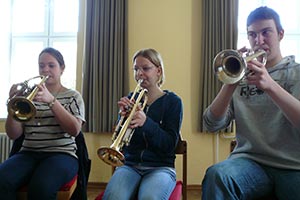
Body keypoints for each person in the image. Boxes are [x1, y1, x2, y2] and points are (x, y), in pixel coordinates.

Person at [202, 6, 300, 200]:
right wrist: (231, 83)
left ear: (280, 34)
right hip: (248, 162)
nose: (259, 41)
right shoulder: (242, 76)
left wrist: (271, 86)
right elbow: (211, 124)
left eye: (266, 33)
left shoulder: (296, 73)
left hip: (293, 166)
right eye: (252, 34)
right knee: (217, 175)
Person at [0, 47, 85, 200]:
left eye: (51, 65)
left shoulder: (73, 96)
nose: (45, 70)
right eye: (41, 65)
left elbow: (74, 130)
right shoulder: (28, 97)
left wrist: (52, 101)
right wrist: (13, 105)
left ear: (62, 69)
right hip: (28, 153)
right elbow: (14, 134)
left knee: (41, 188)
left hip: (61, 155)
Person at [102, 48, 183, 200]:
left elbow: (170, 144)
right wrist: (123, 120)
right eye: (136, 69)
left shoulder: (173, 102)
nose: (139, 73)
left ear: (158, 71)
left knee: (149, 198)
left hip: (161, 168)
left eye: (145, 68)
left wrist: (146, 122)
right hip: (130, 165)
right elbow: (121, 141)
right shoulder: (131, 99)